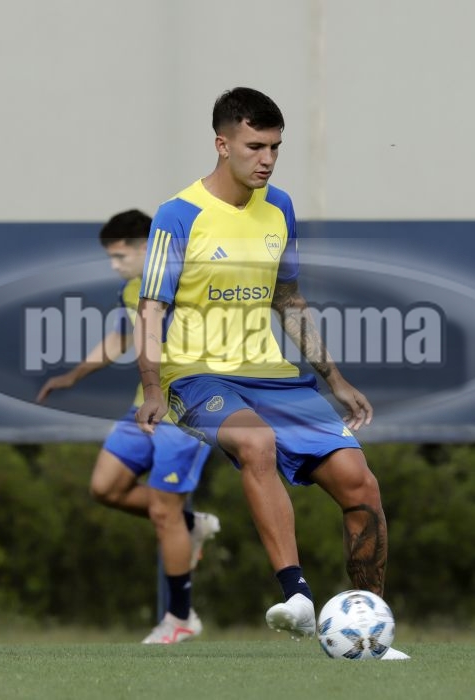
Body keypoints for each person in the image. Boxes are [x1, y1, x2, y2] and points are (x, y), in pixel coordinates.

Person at [134, 88, 409, 659]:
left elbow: (288, 298)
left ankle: (370, 635)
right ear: (222, 144)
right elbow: (151, 307)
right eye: (254, 146)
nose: (267, 159)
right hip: (197, 376)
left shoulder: (278, 206)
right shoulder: (178, 214)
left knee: (360, 484)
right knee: (255, 441)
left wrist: (334, 378)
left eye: (275, 147)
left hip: (275, 375)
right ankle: (298, 595)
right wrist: (153, 387)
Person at [36, 209, 220, 644]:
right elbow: (120, 338)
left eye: (120, 256)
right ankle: (190, 523)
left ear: (146, 248)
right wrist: (73, 376)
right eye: (110, 257)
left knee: (162, 512)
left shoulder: (190, 279)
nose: (114, 265)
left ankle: (180, 618)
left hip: (188, 413)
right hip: (144, 407)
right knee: (105, 487)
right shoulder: (132, 289)